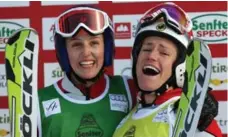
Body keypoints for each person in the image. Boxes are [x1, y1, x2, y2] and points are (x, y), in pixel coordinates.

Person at [113, 2, 222, 137]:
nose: (151, 56)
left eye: (164, 53)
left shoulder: (191, 118)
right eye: (146, 49)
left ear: (180, 66)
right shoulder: (127, 117)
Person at [37, 6, 137, 137]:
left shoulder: (129, 90)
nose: (86, 53)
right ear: (64, 53)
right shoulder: (38, 102)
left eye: (94, 43)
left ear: (106, 48)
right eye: (76, 45)